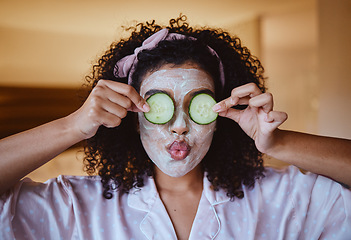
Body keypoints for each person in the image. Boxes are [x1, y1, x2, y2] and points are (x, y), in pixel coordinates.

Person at [0, 16, 350, 240]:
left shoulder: (282, 199)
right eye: (159, 106)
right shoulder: (76, 206)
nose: (179, 126)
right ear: (134, 119)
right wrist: (71, 126)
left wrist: (278, 143)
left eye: (197, 106)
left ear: (219, 117)